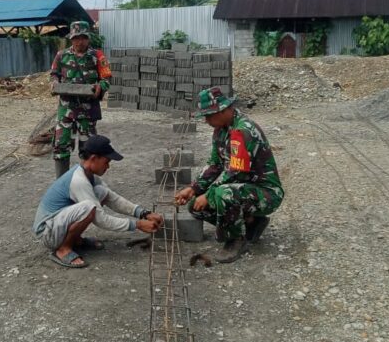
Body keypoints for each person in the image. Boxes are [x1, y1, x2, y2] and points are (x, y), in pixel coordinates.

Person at [175, 87, 284, 264]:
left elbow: (236, 173)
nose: (207, 120)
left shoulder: (243, 131)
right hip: (244, 189)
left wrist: (209, 194)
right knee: (195, 207)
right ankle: (251, 223)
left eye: (210, 115)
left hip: (266, 193)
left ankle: (235, 240)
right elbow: (215, 164)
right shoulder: (221, 130)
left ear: (225, 109)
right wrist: (193, 189)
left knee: (222, 194)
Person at [34, 134, 164, 268]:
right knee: (89, 207)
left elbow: (113, 198)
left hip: (56, 224)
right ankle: (63, 249)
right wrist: (137, 225)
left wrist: (143, 213)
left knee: (101, 192)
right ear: (94, 158)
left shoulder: (88, 174)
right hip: (47, 232)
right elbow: (100, 219)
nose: (108, 166)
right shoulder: (78, 181)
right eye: (106, 162)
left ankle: (76, 241)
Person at [50, 20, 111, 178]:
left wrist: (101, 86)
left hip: (87, 111)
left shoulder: (97, 56)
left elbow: (107, 78)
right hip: (66, 110)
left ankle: (86, 180)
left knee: (88, 149)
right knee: (61, 145)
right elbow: (54, 74)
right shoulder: (61, 55)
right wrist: (54, 83)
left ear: (88, 38)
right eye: (77, 38)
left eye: (83, 37)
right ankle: (61, 182)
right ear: (71, 38)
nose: (80, 41)